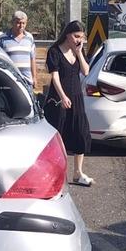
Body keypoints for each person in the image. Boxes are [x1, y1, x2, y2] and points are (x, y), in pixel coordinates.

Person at [45, 20, 93, 186]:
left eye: (81, 37)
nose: (79, 39)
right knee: (58, 137)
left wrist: (79, 53)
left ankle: (78, 173)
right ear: (67, 34)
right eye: (76, 36)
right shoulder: (54, 52)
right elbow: (55, 77)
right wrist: (63, 96)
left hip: (76, 97)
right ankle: (54, 174)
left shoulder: (78, 50)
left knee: (81, 132)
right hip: (59, 99)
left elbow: (86, 71)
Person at [0, 10, 37, 91]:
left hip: (27, 82)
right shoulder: (2, 39)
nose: (21, 26)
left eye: (23, 23)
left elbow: (32, 59)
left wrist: (34, 77)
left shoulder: (29, 38)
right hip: (10, 80)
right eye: (18, 23)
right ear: (12, 22)